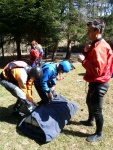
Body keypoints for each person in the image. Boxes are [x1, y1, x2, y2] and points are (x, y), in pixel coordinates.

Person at [78, 19, 113, 142]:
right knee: (89, 101)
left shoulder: (100, 47)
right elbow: (93, 59)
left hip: (99, 83)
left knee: (97, 109)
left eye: (89, 31)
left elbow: (97, 70)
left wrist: (83, 61)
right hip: (95, 81)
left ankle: (99, 133)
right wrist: (85, 51)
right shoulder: (96, 44)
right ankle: (90, 121)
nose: (87, 34)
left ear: (97, 31)